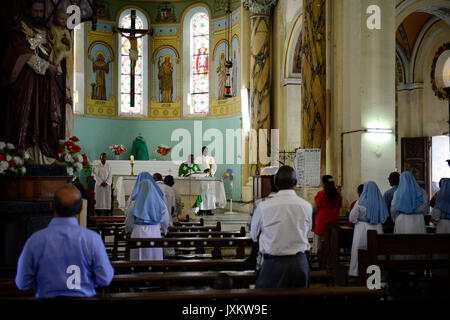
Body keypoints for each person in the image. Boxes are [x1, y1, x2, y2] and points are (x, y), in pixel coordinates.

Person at [15, 185, 114, 298]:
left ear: (52, 206)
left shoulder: (35, 240)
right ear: (81, 208)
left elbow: (22, 282)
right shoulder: (92, 239)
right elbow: (105, 279)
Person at [1, 0, 62, 164]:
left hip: (44, 84)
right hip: (25, 84)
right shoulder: (18, 32)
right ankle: (24, 153)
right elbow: (21, 54)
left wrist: (54, 63)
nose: (38, 15)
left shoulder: (47, 32)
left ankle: (46, 157)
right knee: (26, 114)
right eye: (35, 11)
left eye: (41, 11)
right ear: (28, 11)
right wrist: (46, 65)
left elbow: (55, 51)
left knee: (44, 117)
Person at [250, 166, 312, 288]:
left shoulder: (264, 207)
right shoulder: (306, 206)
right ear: (295, 183)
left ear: (275, 183)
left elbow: (254, 236)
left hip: (273, 264)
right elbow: (307, 231)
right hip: (299, 263)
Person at [348, 181, 389, 276]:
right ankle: (376, 273)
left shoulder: (360, 202)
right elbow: (384, 219)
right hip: (377, 229)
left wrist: (357, 221)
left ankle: (358, 271)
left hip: (362, 229)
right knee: (376, 250)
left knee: (360, 250)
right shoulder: (380, 202)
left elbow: (352, 217)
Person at [125, 176, 170, 261]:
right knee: (154, 256)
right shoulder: (160, 203)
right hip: (155, 231)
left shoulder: (134, 203)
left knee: (138, 257)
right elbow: (166, 219)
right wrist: (164, 230)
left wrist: (128, 231)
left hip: (138, 231)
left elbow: (129, 221)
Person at [247, 174, 277, 272]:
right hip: (295, 261)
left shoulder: (260, 204)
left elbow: (253, 234)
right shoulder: (303, 206)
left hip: (267, 258)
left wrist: (252, 257)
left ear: (271, 185)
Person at [312, 175, 342, 254]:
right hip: (333, 223)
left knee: (320, 247)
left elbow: (315, 209)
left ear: (324, 184)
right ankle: (331, 262)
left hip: (321, 223)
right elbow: (338, 209)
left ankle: (321, 263)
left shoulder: (321, 194)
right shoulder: (338, 196)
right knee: (331, 245)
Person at [195, 146, 217, 216]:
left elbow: (214, 167)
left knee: (210, 194)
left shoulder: (211, 158)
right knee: (202, 194)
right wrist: (202, 171)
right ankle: (201, 210)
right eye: (204, 150)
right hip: (201, 178)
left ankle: (209, 210)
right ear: (202, 151)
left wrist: (211, 172)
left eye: (206, 150)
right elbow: (196, 168)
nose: (205, 151)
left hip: (209, 178)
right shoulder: (198, 159)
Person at [48, 9, 71, 75]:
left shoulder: (66, 31)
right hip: (57, 49)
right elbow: (51, 38)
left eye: (65, 19)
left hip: (66, 50)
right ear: (55, 19)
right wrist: (51, 28)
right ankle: (57, 68)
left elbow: (70, 42)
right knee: (60, 54)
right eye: (62, 19)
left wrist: (68, 42)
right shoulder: (55, 29)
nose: (64, 21)